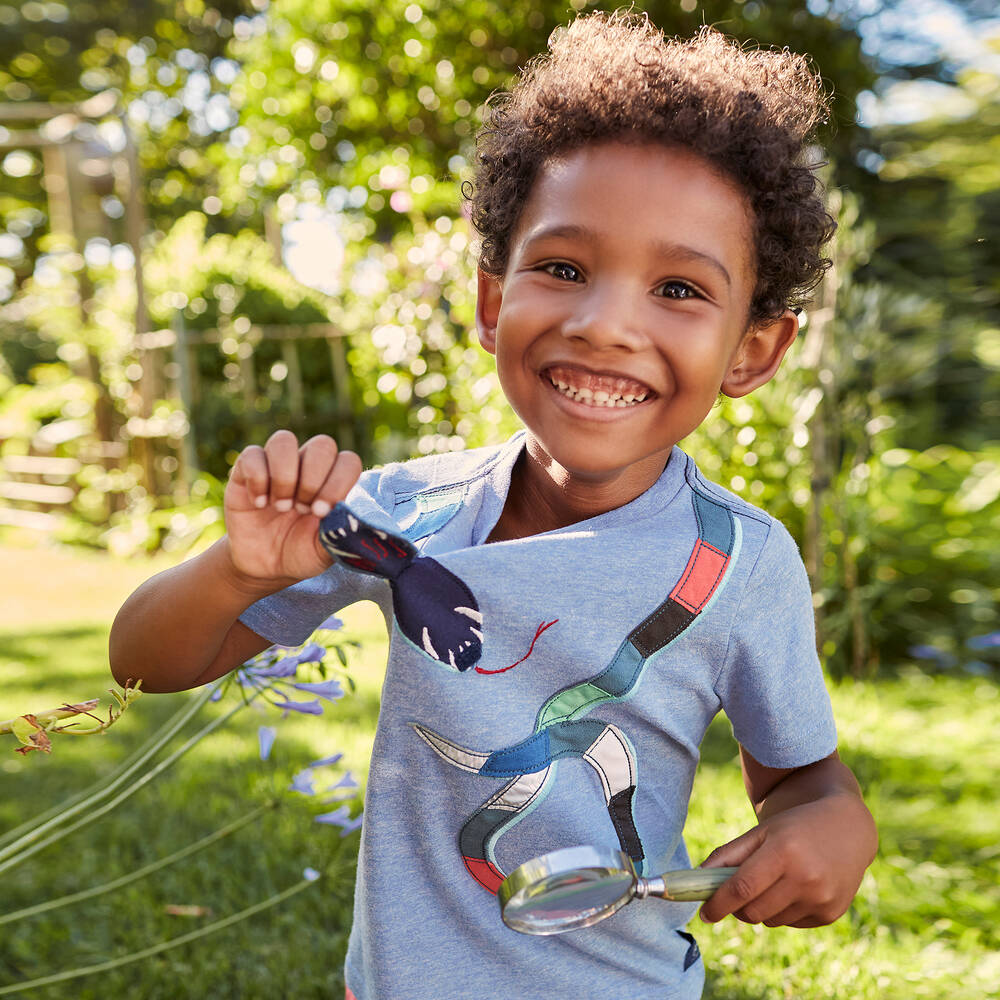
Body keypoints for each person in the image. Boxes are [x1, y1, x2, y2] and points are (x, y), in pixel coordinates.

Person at [110, 11, 876, 999]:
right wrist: (237, 570)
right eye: (562, 269)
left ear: (753, 350)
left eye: (679, 288)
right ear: (489, 301)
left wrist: (832, 824)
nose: (604, 325)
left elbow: (803, 779)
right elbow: (143, 662)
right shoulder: (398, 515)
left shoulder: (737, 564)